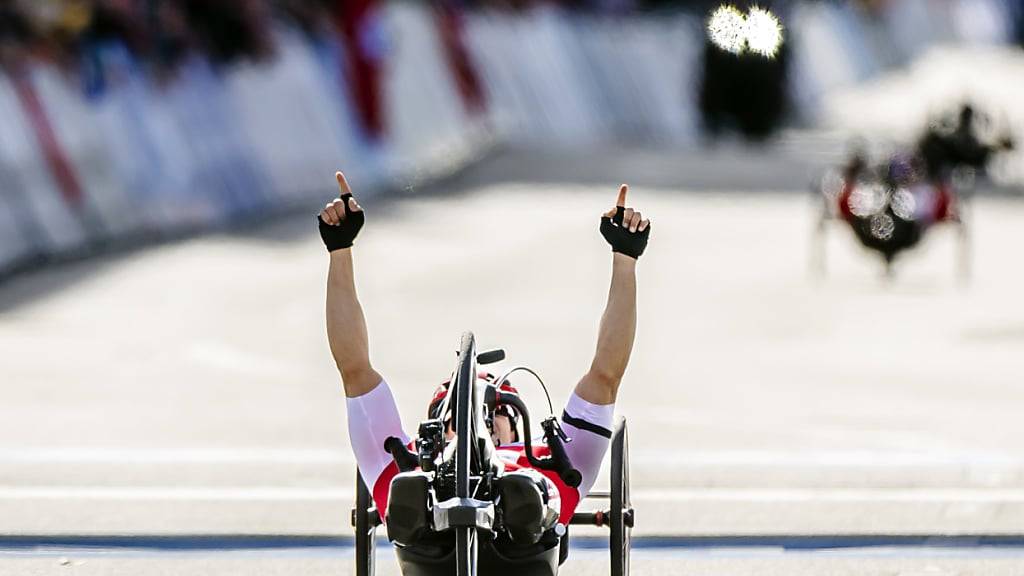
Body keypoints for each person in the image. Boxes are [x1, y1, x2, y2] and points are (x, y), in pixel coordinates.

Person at [318, 171, 650, 545]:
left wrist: (625, 258)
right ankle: (421, 511)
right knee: (404, 482)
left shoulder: (554, 456)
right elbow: (354, 368)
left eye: (493, 412)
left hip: (527, 516)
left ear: (517, 425)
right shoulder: (404, 458)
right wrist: (339, 249)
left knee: (533, 487)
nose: (482, 421)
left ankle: (524, 504)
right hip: (425, 508)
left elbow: (606, 374)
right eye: (460, 414)